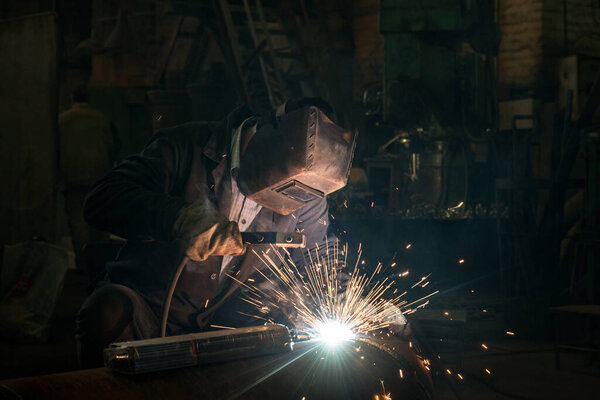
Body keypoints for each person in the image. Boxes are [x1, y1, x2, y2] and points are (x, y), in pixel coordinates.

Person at [75, 98, 353, 368]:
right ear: (264, 136)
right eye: (288, 184)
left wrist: (342, 306)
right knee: (108, 312)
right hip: (151, 310)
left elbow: (319, 257)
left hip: (228, 322)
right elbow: (101, 200)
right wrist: (178, 218)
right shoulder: (185, 146)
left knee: (282, 340)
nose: (294, 198)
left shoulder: (307, 190)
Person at [58, 86, 119, 274]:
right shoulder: (102, 120)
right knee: (100, 223)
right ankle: (99, 267)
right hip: (99, 178)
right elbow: (113, 148)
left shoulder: (61, 121)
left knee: (78, 225)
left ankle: (83, 266)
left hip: (73, 178)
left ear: (72, 98)